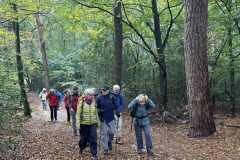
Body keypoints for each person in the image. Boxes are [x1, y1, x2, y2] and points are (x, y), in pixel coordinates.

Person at [128, 94, 155, 159]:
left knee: (148, 135)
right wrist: (135, 100)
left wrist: (148, 99)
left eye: (143, 102)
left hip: (145, 120)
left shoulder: (146, 101)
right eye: (140, 102)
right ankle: (139, 148)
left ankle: (150, 151)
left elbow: (153, 105)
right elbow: (129, 106)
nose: (142, 103)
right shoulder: (136, 102)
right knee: (138, 136)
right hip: (137, 121)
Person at [96, 86, 118, 155]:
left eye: (105, 90)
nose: (103, 91)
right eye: (102, 90)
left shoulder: (112, 97)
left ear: (108, 91)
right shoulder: (99, 98)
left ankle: (109, 142)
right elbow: (96, 107)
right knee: (104, 134)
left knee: (112, 133)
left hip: (111, 118)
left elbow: (116, 106)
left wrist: (117, 111)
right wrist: (100, 111)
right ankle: (106, 149)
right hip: (103, 118)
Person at [77, 88, 98, 160]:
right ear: (86, 95)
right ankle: (81, 147)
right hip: (83, 124)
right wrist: (78, 124)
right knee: (83, 139)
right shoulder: (82, 102)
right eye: (89, 94)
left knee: (93, 139)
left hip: (93, 123)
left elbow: (96, 113)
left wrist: (98, 122)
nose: (91, 96)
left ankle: (94, 154)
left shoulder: (94, 102)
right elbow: (78, 114)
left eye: (92, 95)